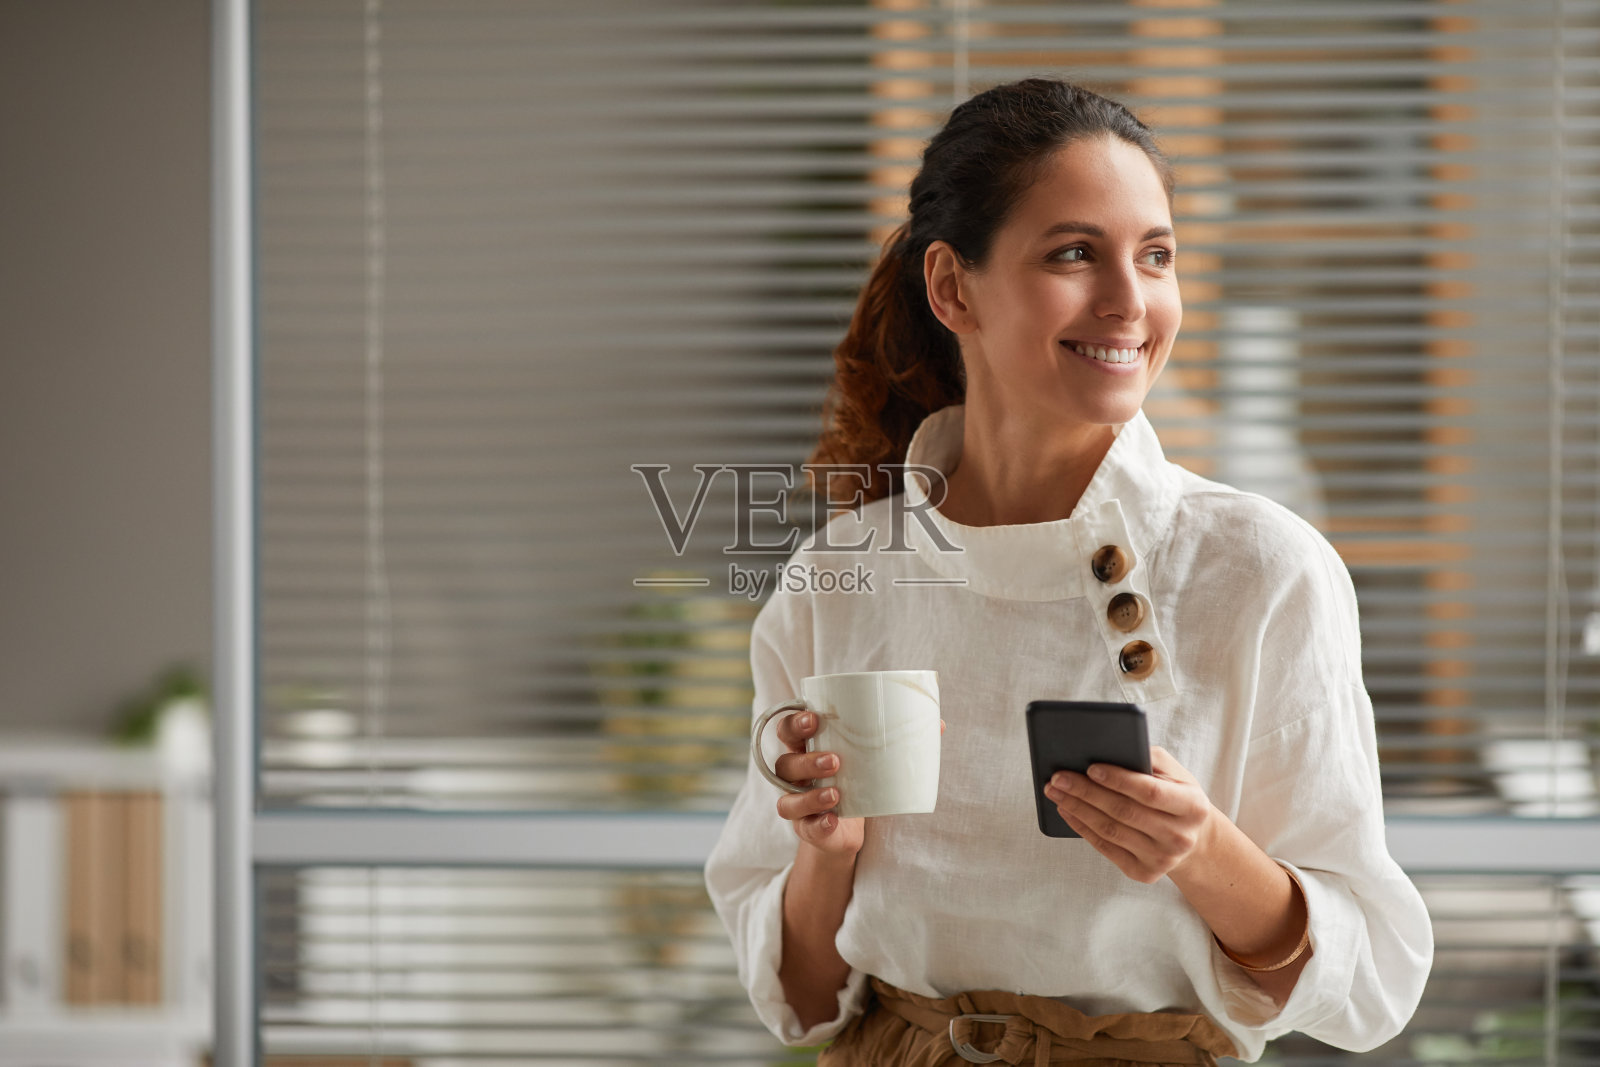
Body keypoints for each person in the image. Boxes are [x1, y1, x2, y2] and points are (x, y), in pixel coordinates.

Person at [703, 77, 1433, 1066]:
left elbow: (1374, 982)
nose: (1130, 302)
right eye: (1074, 253)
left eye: (1157, 255)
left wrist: (1201, 850)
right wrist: (825, 854)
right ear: (953, 288)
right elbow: (800, 1000)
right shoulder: (842, 574)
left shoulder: (1260, 569)